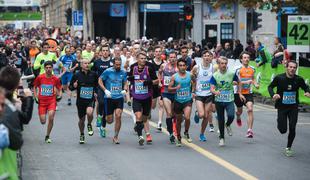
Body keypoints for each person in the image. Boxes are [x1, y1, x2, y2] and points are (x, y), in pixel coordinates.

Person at [268, 61, 310, 157]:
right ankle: (280, 121)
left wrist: (308, 92)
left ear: (296, 69)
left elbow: (306, 87)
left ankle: (288, 147)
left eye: (294, 67)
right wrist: (273, 94)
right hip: (282, 107)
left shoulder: (298, 79)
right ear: (286, 67)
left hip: (293, 107)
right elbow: (270, 87)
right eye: (290, 67)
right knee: (283, 130)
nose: (292, 69)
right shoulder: (279, 78)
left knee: (292, 127)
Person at [127, 51, 158, 145]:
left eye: (145, 59)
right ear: (137, 59)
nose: (144, 60)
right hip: (136, 97)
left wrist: (149, 82)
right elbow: (128, 78)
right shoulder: (133, 67)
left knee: (144, 118)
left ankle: (139, 126)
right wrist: (130, 79)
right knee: (138, 116)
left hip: (147, 97)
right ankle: (140, 136)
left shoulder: (149, 69)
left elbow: (157, 81)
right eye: (142, 58)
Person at [98, 57, 128, 144]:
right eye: (117, 64)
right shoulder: (108, 71)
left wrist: (125, 89)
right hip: (109, 98)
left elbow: (126, 82)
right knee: (109, 121)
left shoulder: (123, 72)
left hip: (119, 98)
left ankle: (115, 136)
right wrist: (105, 90)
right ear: (113, 64)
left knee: (118, 116)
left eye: (119, 64)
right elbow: (100, 80)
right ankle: (103, 116)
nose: (118, 66)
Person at [210, 56, 238, 146]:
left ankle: (228, 124)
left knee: (231, 116)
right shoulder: (215, 75)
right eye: (222, 63)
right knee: (221, 119)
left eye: (225, 63)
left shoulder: (231, 73)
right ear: (218, 64)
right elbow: (212, 88)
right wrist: (215, 92)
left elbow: (238, 81)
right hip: (219, 100)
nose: (224, 65)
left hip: (229, 99)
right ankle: (222, 137)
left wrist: (238, 88)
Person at [69, 59, 98, 144]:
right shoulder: (76, 75)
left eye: (88, 63)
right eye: (85, 63)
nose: (87, 65)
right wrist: (74, 86)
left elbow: (97, 85)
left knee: (90, 113)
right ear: (81, 65)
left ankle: (89, 124)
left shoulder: (93, 74)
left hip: (90, 99)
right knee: (81, 120)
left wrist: (96, 92)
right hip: (80, 101)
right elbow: (70, 87)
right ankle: (82, 134)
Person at [33, 61, 62, 143]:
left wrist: (60, 95)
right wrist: (35, 96)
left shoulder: (55, 79)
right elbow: (34, 87)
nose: (48, 69)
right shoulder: (40, 77)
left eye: (50, 67)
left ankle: (47, 136)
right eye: (47, 68)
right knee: (43, 121)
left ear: (52, 68)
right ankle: (43, 118)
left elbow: (60, 88)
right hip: (42, 102)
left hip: (51, 101)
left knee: (51, 117)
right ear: (44, 68)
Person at [168, 59, 195, 147]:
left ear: (186, 66)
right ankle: (179, 137)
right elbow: (169, 88)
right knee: (179, 120)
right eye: (180, 65)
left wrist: (193, 91)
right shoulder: (174, 77)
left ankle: (186, 132)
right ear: (178, 67)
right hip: (178, 101)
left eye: (184, 65)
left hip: (187, 100)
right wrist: (176, 88)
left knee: (187, 117)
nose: (182, 67)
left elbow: (194, 81)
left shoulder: (190, 75)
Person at [191, 50, 215, 141]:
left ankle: (202, 134)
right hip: (199, 94)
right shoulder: (197, 67)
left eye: (209, 56)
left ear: (211, 58)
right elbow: (191, 77)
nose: (207, 57)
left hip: (209, 94)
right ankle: (197, 114)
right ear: (202, 57)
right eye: (205, 56)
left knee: (206, 116)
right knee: (201, 114)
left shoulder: (213, 68)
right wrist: (193, 90)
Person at [235, 52, 259, 138]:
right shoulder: (237, 69)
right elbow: (235, 82)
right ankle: (238, 116)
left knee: (250, 109)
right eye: (244, 58)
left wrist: (255, 84)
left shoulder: (252, 68)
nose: (246, 59)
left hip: (248, 93)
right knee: (239, 111)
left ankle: (249, 130)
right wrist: (245, 82)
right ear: (241, 59)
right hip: (238, 93)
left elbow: (253, 78)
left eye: (248, 57)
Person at [92, 44, 114, 138]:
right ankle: (99, 117)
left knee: (107, 107)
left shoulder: (112, 62)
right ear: (101, 52)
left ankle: (103, 128)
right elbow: (93, 75)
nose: (105, 52)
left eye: (106, 50)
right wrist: (94, 89)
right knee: (101, 102)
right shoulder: (97, 62)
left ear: (109, 52)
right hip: (100, 87)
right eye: (103, 50)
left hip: (110, 87)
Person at [158, 51, 178, 143]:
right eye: (171, 57)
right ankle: (171, 133)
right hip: (166, 93)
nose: (172, 59)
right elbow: (159, 73)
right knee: (169, 113)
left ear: (176, 58)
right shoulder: (164, 66)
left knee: (175, 114)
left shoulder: (179, 68)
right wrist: (159, 81)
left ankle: (173, 127)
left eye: (174, 57)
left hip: (176, 93)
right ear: (168, 58)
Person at [150, 46, 165, 132]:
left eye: (159, 51)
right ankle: (148, 114)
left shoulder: (164, 64)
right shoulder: (150, 63)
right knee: (153, 106)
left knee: (161, 104)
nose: (158, 53)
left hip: (161, 86)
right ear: (154, 53)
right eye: (156, 51)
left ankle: (159, 122)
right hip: (153, 86)